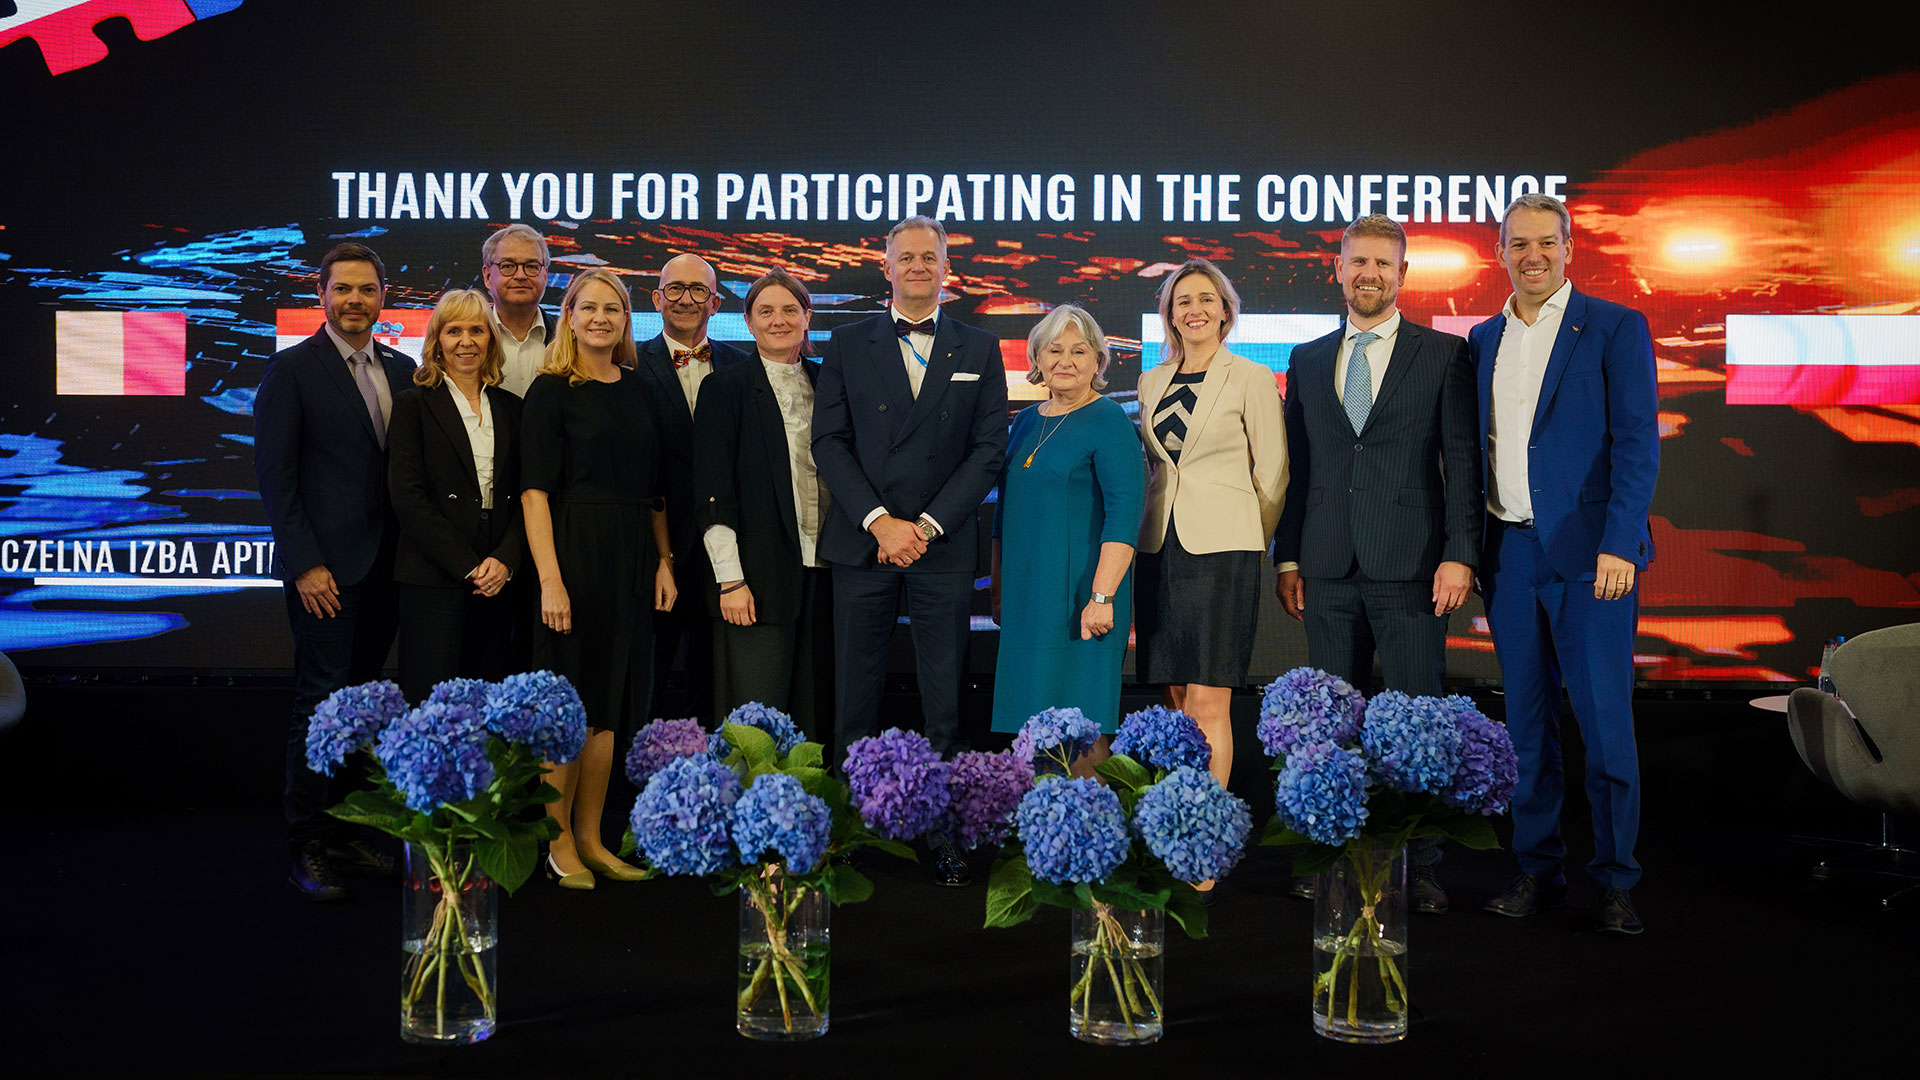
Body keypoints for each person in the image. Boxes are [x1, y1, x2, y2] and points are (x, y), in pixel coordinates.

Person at [1273, 215, 1479, 913]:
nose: (1369, 273)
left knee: (1418, 722)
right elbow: (1299, 470)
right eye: (1357, 261)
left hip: (1413, 567)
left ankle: (1419, 865)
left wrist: (1459, 555)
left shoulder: (1443, 355)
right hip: (1326, 566)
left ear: (1402, 274)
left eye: (1383, 264)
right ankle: (1333, 856)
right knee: (1329, 725)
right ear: (1338, 268)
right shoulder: (1307, 358)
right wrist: (1289, 557)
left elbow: (1462, 463)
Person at [1472, 194, 1658, 935]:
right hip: (1509, 554)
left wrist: (1620, 540)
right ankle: (1537, 870)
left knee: (1605, 726)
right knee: (1526, 726)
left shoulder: (1614, 326)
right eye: (1519, 244)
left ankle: (1615, 880)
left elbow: (1637, 444)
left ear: (1569, 248)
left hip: (1592, 556)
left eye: (1546, 243)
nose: (1533, 256)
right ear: (1500, 253)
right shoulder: (1483, 337)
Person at [813, 216, 1008, 885]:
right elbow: (829, 441)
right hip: (864, 540)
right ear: (887, 267)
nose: (918, 266)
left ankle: (943, 831)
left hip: (940, 544)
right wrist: (880, 523)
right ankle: (847, 829)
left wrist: (923, 526)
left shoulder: (980, 347)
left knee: (944, 697)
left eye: (930, 257)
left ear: (946, 268)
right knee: (854, 696)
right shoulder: (847, 342)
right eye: (907, 257)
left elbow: (988, 451)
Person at [254, 242, 414, 900]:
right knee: (319, 703)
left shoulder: (404, 369)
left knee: (360, 704)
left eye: (366, 289)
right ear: (320, 294)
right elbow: (277, 480)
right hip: (323, 574)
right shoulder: (292, 370)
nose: (354, 300)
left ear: (383, 297)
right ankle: (308, 843)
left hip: (386, 571)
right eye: (342, 288)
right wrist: (306, 564)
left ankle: (348, 830)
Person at [520, 267, 678, 888]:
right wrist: (550, 580)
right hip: (574, 552)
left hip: (632, 558)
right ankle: (557, 842)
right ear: (569, 316)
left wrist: (664, 561)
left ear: (626, 320)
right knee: (568, 705)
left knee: (609, 707)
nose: (600, 318)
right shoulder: (550, 390)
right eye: (588, 307)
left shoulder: (639, 389)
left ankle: (591, 838)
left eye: (612, 308)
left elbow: (656, 489)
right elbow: (534, 494)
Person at [1135, 258, 1288, 794]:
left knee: (1207, 699)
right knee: (1175, 697)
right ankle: (1175, 810)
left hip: (1225, 553)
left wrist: (1251, 539)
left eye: (1206, 299)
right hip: (1159, 549)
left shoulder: (1251, 376)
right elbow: (1157, 469)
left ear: (1225, 311)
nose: (1194, 309)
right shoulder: (1150, 381)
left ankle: (1208, 825)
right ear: (1170, 315)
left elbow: (1273, 473)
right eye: (1183, 301)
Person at [990, 305, 1143, 749]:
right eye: (1054, 350)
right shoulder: (1025, 422)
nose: (1066, 361)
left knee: (1082, 729)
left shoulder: (1110, 420)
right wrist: (998, 592)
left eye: (1079, 351)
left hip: (1083, 602)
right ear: (1037, 358)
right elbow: (1004, 513)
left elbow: (1125, 514)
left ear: (1098, 362)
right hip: (1026, 604)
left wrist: (1102, 598)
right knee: (1028, 730)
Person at [691, 268, 834, 740]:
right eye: (766, 311)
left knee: (814, 725)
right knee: (755, 728)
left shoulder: (829, 384)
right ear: (748, 322)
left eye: (790, 310)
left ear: (807, 316)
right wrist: (730, 580)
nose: (779, 320)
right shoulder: (724, 388)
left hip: (826, 575)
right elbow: (713, 492)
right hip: (755, 582)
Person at [387, 288, 525, 704]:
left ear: (491, 340)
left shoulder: (513, 408)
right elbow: (408, 498)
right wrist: (468, 566)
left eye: (477, 331)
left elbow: (527, 495)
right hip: (433, 574)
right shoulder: (412, 405)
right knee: (431, 705)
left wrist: (505, 560)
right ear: (437, 341)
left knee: (490, 703)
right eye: (454, 331)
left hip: (498, 577)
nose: (466, 342)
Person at [635, 254, 748, 725]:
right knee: (645, 681)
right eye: (675, 289)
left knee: (716, 683)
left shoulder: (743, 366)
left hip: (727, 555)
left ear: (716, 303)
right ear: (656, 299)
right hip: (651, 550)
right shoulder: (628, 364)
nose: (686, 299)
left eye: (698, 290)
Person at [481, 224, 556, 398]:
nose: (521, 275)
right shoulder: (466, 340)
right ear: (488, 276)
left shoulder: (570, 336)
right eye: (508, 266)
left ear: (545, 275)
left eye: (532, 266)